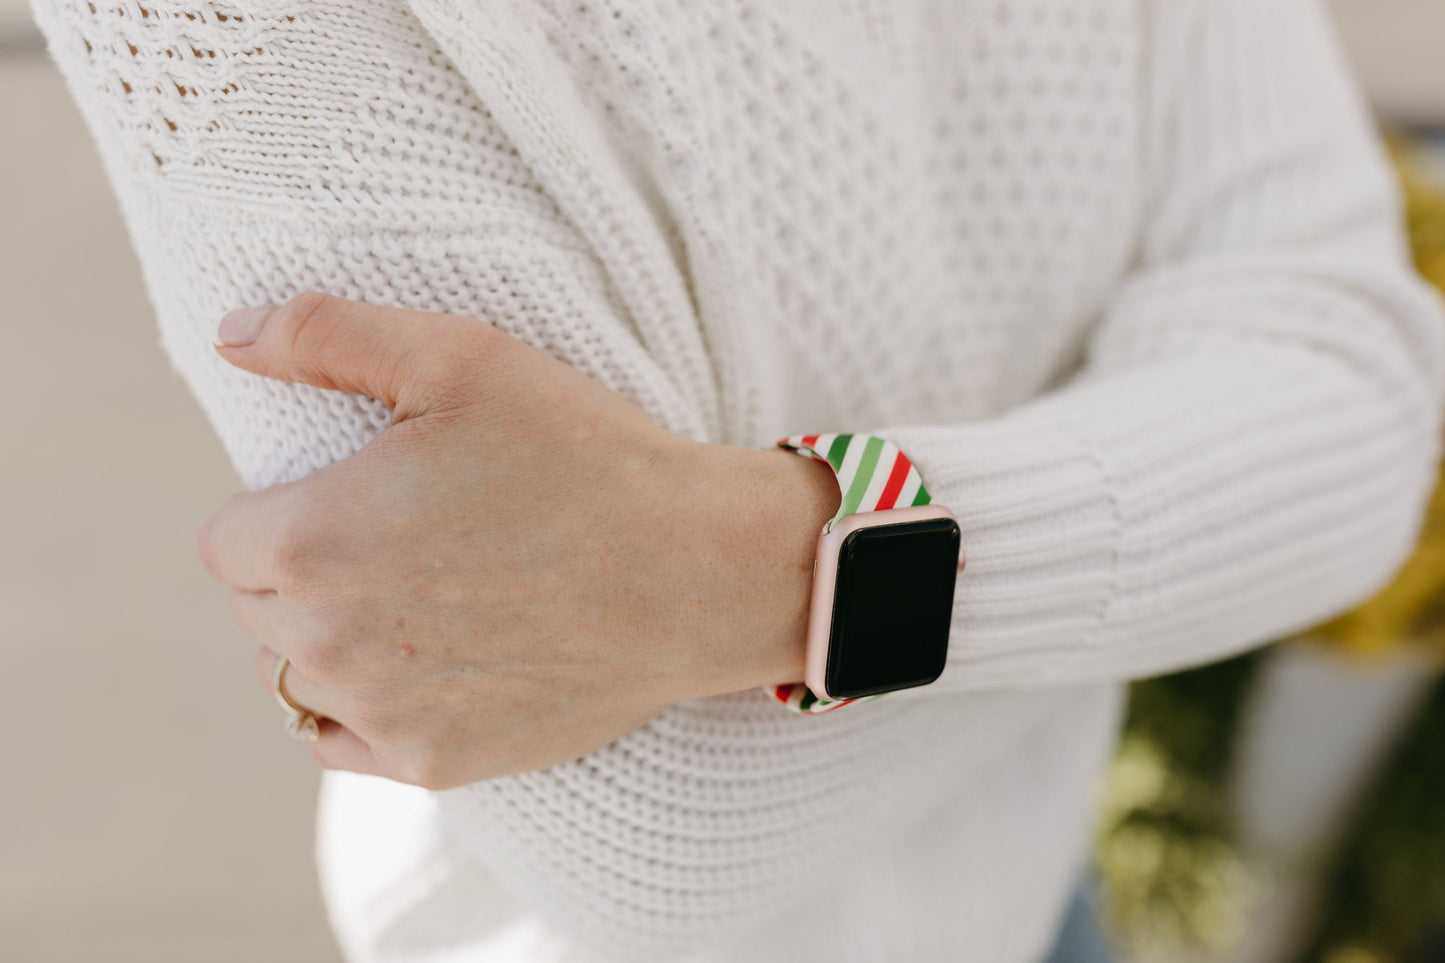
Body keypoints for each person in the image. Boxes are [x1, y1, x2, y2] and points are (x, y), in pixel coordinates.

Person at [28, 0, 1445, 961]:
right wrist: (1144, 556)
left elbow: (1357, 404)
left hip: (1037, 905)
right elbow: (656, 837)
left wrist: (754, 574)